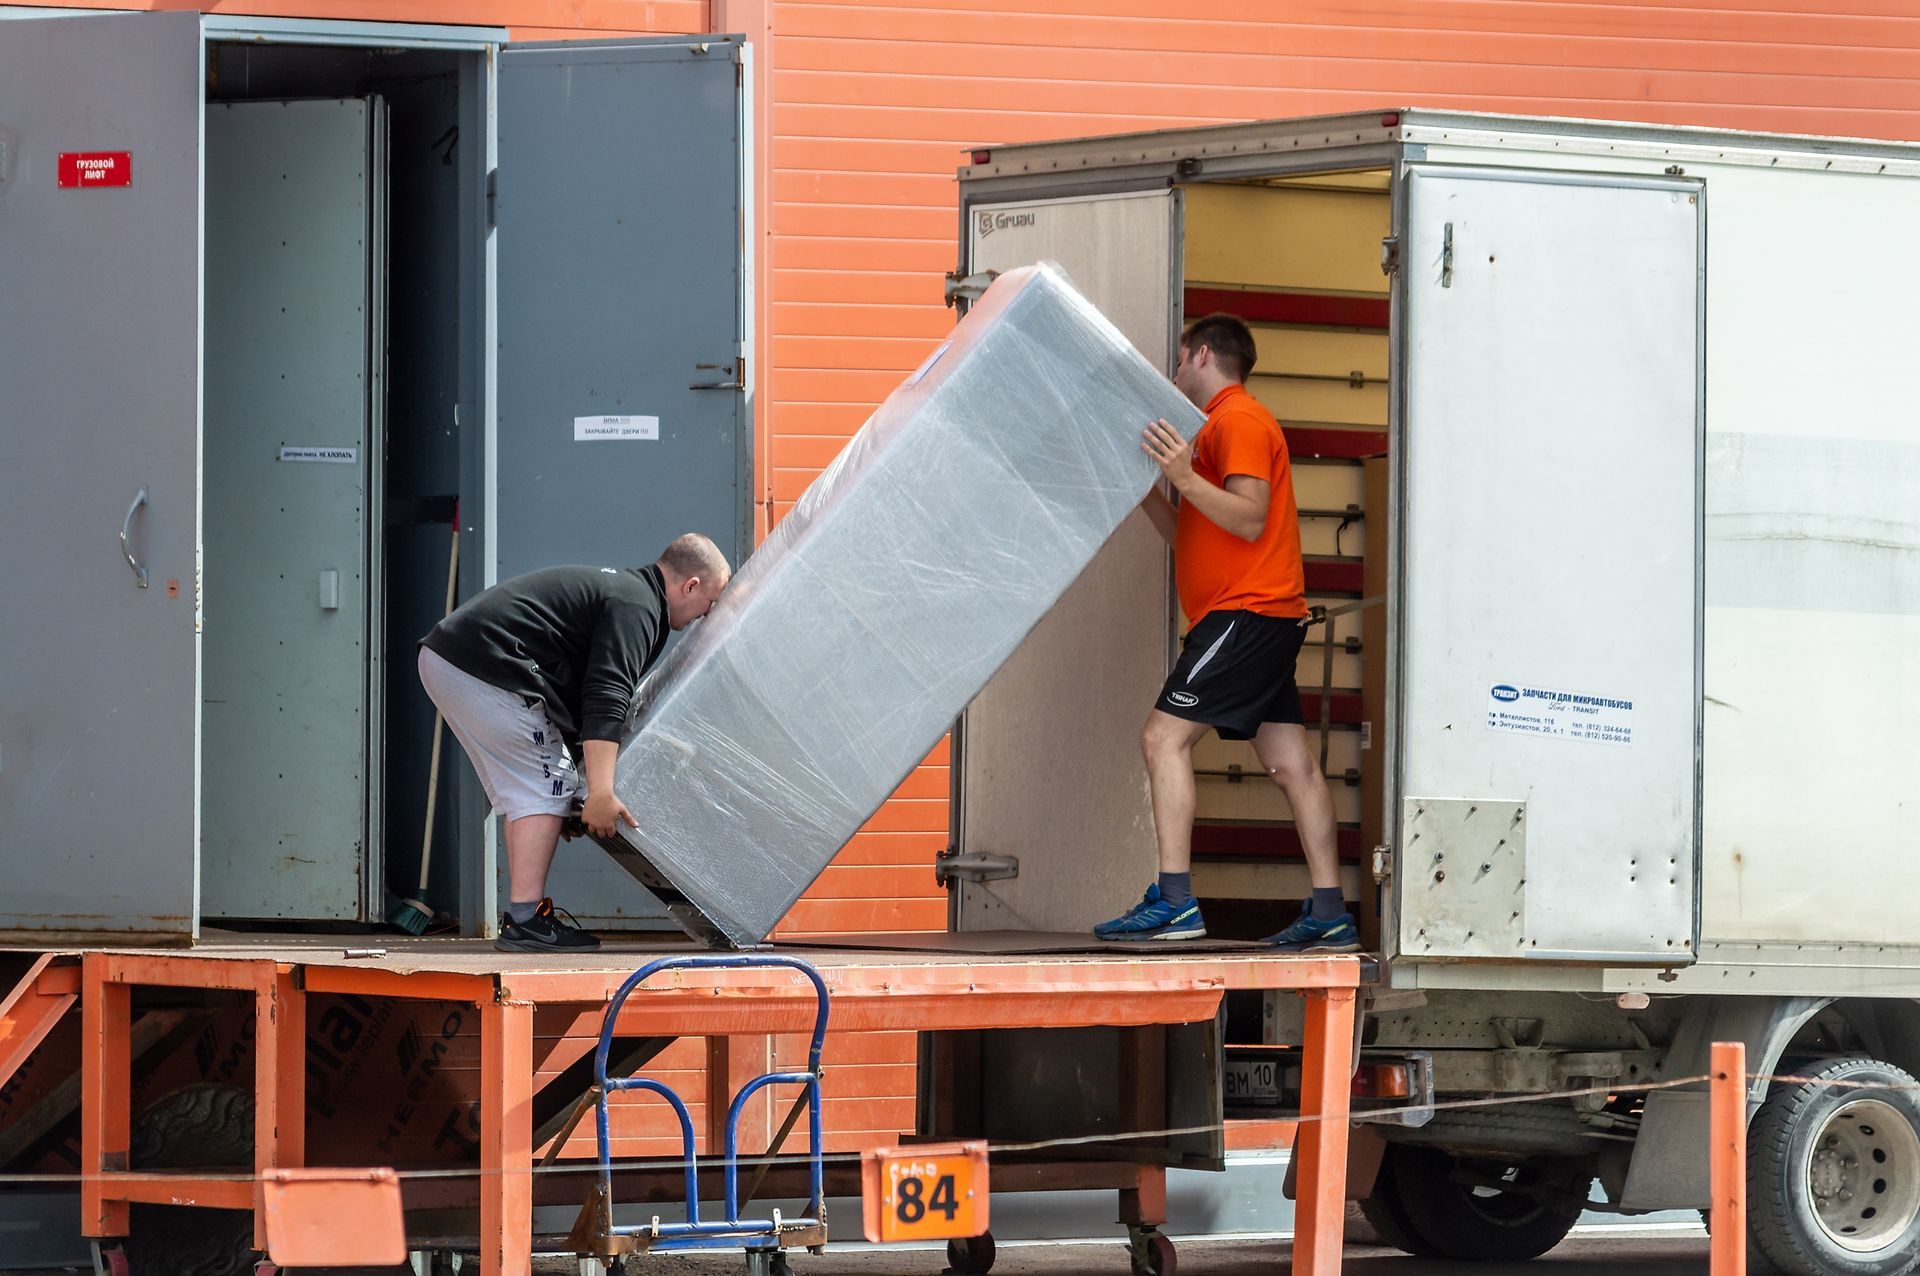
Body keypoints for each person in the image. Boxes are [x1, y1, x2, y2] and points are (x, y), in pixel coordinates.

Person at [1094, 314, 1359, 953]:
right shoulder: (1212, 430)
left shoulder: (1237, 419)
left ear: (1202, 354)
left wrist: (1184, 477)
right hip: (1257, 617)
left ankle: (1175, 901)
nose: (1174, 371)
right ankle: (1330, 912)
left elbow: (1248, 517)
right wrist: (1146, 491)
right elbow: (1191, 531)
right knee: (1291, 763)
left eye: (1179, 358)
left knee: (1162, 738)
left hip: (1244, 614)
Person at [416, 533, 731, 952]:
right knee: (545, 785)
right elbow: (605, 694)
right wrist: (599, 792)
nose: (707, 615)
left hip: (455, 659)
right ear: (691, 585)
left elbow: (577, 702)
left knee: (538, 786)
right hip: (479, 663)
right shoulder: (638, 606)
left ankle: (526, 918)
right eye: (711, 602)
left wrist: (569, 800)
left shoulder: (630, 596)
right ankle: (526, 921)